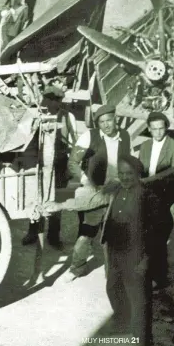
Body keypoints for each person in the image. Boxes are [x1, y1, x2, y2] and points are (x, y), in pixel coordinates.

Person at [42, 155, 155, 346]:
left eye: (130, 174)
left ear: (138, 174)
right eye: (122, 173)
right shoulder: (114, 187)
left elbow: (162, 227)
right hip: (114, 249)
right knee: (113, 288)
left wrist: (147, 257)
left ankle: (143, 343)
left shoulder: (148, 197)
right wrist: (59, 205)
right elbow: (91, 201)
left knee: (138, 297)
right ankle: (122, 326)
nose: (125, 177)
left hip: (136, 254)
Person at [64, 104, 131, 281]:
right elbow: (73, 162)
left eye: (109, 120)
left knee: (113, 235)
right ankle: (77, 268)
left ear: (115, 119)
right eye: (102, 122)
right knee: (87, 233)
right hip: (95, 191)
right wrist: (86, 181)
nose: (106, 125)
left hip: (117, 192)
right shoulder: (89, 136)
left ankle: (113, 274)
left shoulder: (125, 136)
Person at [22, 86, 77, 248]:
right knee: (36, 197)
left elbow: (74, 144)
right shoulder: (37, 115)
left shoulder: (68, 117)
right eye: (48, 100)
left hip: (59, 166)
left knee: (56, 202)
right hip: (39, 164)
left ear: (59, 102)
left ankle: (53, 237)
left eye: (55, 101)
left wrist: (71, 166)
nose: (51, 104)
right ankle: (33, 232)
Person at [137, 111, 174, 290]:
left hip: (164, 196)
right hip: (146, 194)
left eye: (161, 128)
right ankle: (150, 274)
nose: (158, 133)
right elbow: (140, 169)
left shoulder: (173, 145)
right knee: (146, 236)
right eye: (154, 129)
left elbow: (171, 171)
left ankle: (160, 278)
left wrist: (150, 180)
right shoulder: (145, 146)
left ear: (166, 128)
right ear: (149, 130)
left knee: (158, 237)